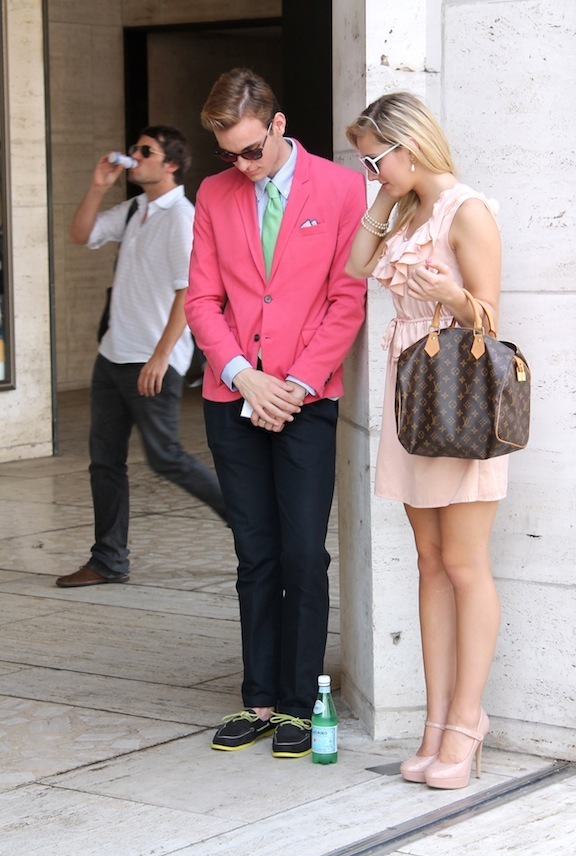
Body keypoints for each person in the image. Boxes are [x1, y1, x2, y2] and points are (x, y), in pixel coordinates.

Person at [185, 68, 366, 758]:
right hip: (232, 395)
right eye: (228, 153)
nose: (242, 165)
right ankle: (258, 697)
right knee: (254, 552)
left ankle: (298, 703)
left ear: (279, 124)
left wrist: (292, 385)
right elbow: (202, 299)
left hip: (305, 399)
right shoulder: (214, 193)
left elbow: (346, 299)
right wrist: (243, 376)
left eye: (252, 150)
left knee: (303, 555)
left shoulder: (343, 188)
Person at [346, 92, 506, 789]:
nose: (370, 172)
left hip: (459, 401)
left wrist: (447, 295)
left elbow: (490, 319)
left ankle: (468, 721)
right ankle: (436, 722)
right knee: (430, 562)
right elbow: (356, 266)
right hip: (413, 398)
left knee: (465, 564)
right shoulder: (408, 212)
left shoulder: (467, 211)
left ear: (407, 146)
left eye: (374, 160)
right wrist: (384, 198)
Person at [56, 125, 227, 589]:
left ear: (171, 164)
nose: (134, 155)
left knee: (166, 457)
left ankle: (251, 524)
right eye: (135, 148)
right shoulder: (135, 209)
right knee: (104, 462)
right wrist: (98, 186)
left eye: (145, 151)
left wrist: (160, 357)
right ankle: (108, 561)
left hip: (152, 361)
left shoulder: (182, 218)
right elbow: (81, 234)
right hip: (112, 355)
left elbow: (189, 293)